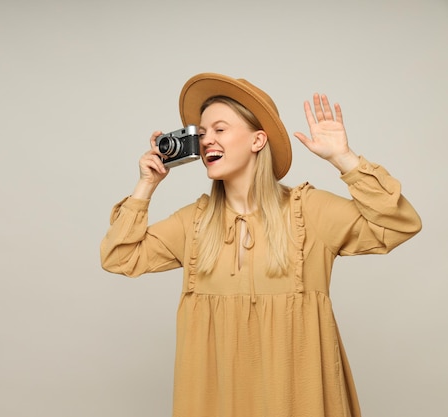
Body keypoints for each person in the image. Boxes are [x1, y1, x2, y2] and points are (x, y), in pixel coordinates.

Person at [99, 72, 422, 417]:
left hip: (297, 401)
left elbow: (399, 223)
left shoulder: (308, 211)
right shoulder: (194, 223)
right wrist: (146, 186)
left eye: (220, 130)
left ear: (257, 141)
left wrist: (343, 159)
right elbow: (120, 256)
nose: (207, 140)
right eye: (203, 132)